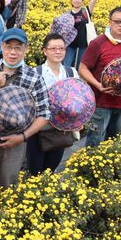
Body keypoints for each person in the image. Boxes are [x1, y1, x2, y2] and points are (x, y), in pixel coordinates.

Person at [0, 28, 50, 202]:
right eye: (8, 47)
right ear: (1, 47)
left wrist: (22, 137)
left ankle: (5, 222)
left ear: (26, 49)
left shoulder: (34, 77)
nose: (13, 52)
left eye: (18, 47)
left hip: (14, 139)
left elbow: (44, 114)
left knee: (9, 185)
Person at [79, 6, 121, 147]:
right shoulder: (98, 43)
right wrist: (97, 84)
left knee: (115, 142)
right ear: (110, 22)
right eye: (117, 21)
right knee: (95, 141)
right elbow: (83, 68)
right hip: (101, 103)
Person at [26, 33, 79, 175]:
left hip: (60, 131)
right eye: (53, 48)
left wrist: (78, 120)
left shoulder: (71, 72)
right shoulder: (35, 72)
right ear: (45, 51)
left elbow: (78, 98)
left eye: (61, 48)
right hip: (39, 130)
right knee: (35, 170)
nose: (58, 51)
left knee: (51, 168)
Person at [50, 0, 105, 69]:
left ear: (82, 1)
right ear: (71, 1)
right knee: (66, 65)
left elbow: (94, 0)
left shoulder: (86, 11)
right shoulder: (67, 15)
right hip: (70, 46)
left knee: (80, 67)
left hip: (83, 45)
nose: (77, 1)